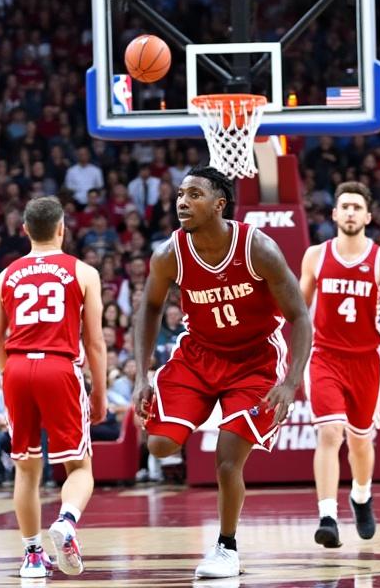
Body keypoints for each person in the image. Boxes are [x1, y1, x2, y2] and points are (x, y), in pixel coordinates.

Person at [131, 167, 312, 579]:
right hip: (198, 354)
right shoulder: (168, 254)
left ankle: (226, 548)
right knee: (159, 445)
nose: (182, 201)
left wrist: (290, 383)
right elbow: (150, 309)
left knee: (227, 459)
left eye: (193, 194)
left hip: (255, 360)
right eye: (179, 194)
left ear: (219, 204)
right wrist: (143, 375)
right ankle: (191, 409)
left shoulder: (258, 248)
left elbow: (300, 317)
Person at [0, 196, 106, 578]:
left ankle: (32, 555)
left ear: (24, 231)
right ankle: (67, 522)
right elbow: (96, 343)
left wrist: (13, 373)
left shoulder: (5, 275)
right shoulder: (84, 272)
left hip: (18, 367)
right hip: (59, 367)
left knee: (26, 469)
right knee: (79, 466)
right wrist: (99, 392)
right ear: (61, 229)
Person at [298, 182, 380, 548]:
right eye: (343, 205)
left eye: (356, 207)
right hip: (325, 356)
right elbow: (299, 312)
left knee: (361, 442)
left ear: (367, 216)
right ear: (334, 214)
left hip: (366, 359)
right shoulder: (315, 256)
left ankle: (361, 496)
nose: (349, 212)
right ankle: (327, 516)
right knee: (330, 432)